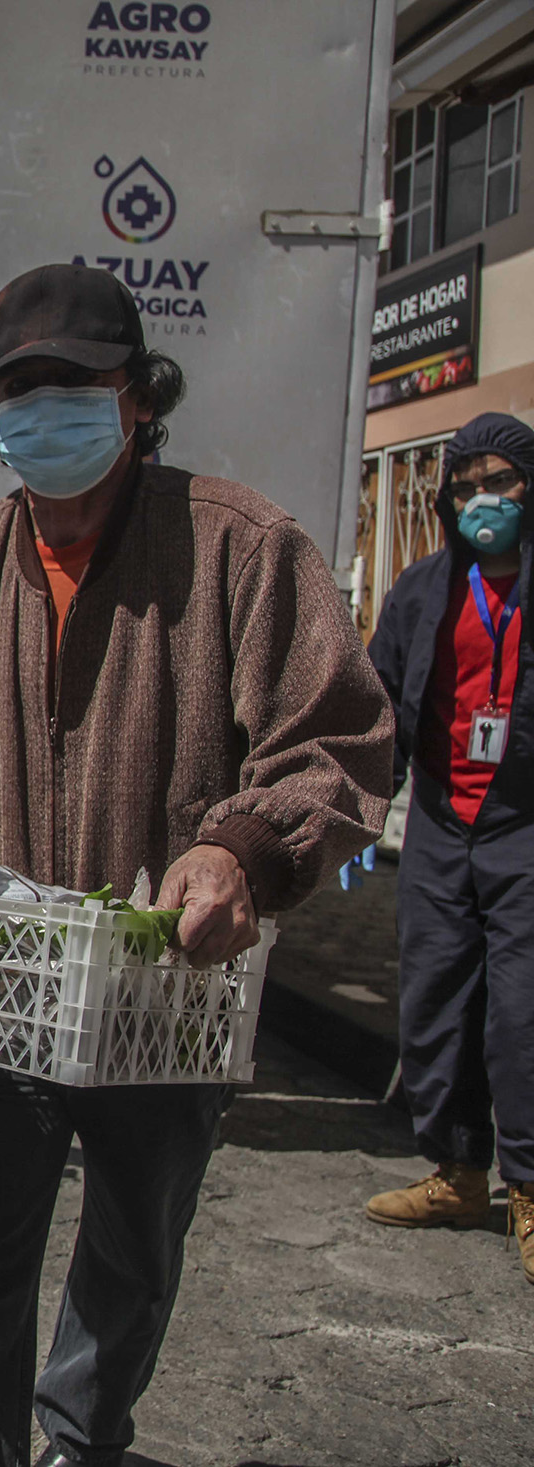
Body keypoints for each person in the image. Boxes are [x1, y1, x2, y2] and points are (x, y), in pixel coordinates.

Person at [0, 263, 392, 1466]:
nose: (43, 410)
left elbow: (338, 740)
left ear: (137, 400)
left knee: (130, 1258)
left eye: (75, 384)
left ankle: (77, 1441)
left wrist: (239, 852)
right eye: (18, 389)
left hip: (170, 994)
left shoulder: (242, 551)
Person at [363, 411, 532, 1286]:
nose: (483, 501)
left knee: (522, 1016)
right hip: (439, 825)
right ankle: (460, 1173)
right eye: (466, 488)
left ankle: (531, 1189)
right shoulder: (423, 589)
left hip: (525, 830)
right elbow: (383, 701)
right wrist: (359, 810)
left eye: (500, 482)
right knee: (436, 1004)